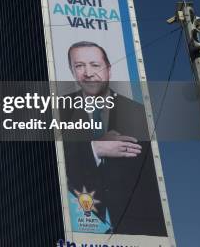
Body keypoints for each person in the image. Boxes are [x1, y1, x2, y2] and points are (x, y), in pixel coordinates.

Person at [61, 41, 167, 236]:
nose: (87, 72)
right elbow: (52, 164)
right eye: (79, 66)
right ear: (72, 71)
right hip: (82, 228)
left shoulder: (138, 113)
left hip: (138, 230)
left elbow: (151, 178)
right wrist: (95, 148)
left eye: (95, 65)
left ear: (108, 69)